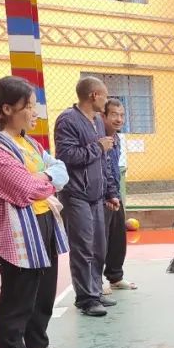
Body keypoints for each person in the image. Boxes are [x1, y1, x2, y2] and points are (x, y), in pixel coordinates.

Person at [0, 76, 71, 348]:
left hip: (42, 222)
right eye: (28, 106)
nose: (34, 112)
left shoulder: (29, 143)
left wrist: (45, 177)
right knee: (18, 297)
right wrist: (47, 178)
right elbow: (25, 188)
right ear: (6, 108)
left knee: (43, 293)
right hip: (17, 232)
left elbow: (61, 169)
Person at [53, 76, 120, 317]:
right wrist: (98, 147)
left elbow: (104, 162)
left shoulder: (98, 122)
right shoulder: (67, 120)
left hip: (97, 195)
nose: (106, 99)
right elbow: (67, 156)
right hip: (76, 194)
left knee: (99, 246)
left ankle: (95, 291)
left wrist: (111, 191)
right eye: (104, 95)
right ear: (94, 95)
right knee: (83, 247)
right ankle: (86, 298)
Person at [101, 98, 136, 293]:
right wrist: (109, 194)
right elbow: (103, 168)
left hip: (114, 193)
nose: (119, 119)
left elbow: (113, 168)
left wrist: (115, 193)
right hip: (103, 196)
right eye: (114, 114)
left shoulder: (117, 139)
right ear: (103, 116)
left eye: (122, 115)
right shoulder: (99, 139)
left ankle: (115, 277)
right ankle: (96, 281)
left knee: (117, 237)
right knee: (100, 240)